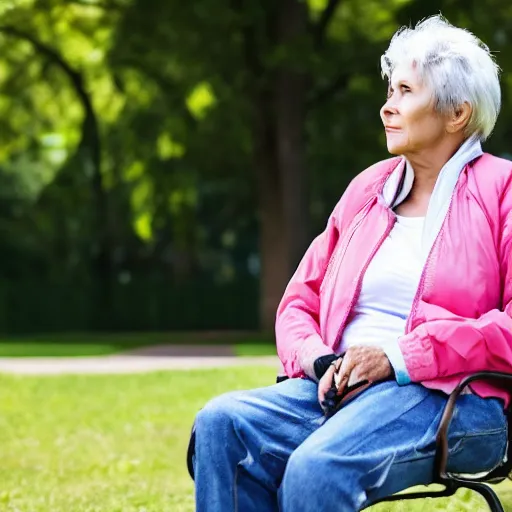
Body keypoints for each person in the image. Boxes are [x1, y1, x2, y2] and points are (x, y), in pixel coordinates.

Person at [191, 15, 512, 512]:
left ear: (457, 114)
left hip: (453, 398)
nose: (387, 106)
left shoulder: (503, 190)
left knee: (318, 466)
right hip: (339, 388)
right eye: (390, 89)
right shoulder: (368, 190)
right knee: (222, 424)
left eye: (406, 90)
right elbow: (299, 300)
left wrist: (400, 358)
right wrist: (321, 360)